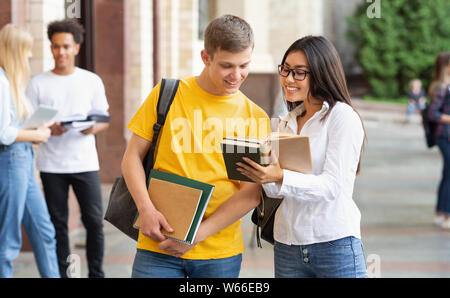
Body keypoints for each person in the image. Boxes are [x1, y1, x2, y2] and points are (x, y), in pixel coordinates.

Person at [122, 15, 270, 278]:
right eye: (227, 66)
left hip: (218, 254)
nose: (236, 76)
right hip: (157, 245)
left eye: (244, 65)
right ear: (206, 57)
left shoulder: (253, 117)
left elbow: (250, 194)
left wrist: (194, 237)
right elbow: (132, 156)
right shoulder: (168, 94)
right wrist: (145, 209)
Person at [237, 36, 367, 278]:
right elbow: (278, 191)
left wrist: (280, 175)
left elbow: (333, 187)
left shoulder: (342, 117)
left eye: (299, 73)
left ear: (320, 74)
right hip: (287, 244)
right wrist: (263, 173)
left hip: (334, 244)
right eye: (285, 69)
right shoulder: (285, 122)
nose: (288, 79)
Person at [26, 19, 110, 278]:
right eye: (55, 46)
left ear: (76, 48)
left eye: (65, 46)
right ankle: (63, 274)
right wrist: (49, 129)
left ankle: (96, 274)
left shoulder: (91, 80)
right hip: (52, 165)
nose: (60, 52)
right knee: (57, 225)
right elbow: (29, 125)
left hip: (84, 163)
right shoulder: (37, 83)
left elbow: (104, 119)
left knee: (94, 223)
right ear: (50, 48)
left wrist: (90, 128)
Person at [0, 24, 60, 278]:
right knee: (8, 240)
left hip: (22, 160)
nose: (29, 56)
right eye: (26, 51)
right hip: (11, 160)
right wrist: (35, 134)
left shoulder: (11, 82)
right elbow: (3, 133)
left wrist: (34, 128)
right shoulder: (1, 81)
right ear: (14, 51)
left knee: (44, 231)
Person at [428, 52, 450, 229]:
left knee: (447, 175)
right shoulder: (441, 87)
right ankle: (446, 215)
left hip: (445, 135)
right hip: (444, 135)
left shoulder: (445, 85)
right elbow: (433, 114)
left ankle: (440, 213)